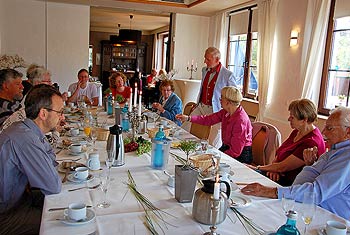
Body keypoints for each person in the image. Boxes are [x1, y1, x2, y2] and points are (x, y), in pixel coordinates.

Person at [241, 107, 350, 220]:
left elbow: (315, 193)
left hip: (324, 218)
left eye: (329, 128)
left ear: (348, 132)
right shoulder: (336, 150)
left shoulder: (346, 158)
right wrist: (310, 164)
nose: (324, 132)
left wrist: (271, 191)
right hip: (300, 204)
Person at [0, 85, 63, 234]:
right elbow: (52, 186)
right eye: (59, 112)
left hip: (21, 199)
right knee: (62, 222)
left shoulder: (24, 128)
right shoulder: (26, 139)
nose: (62, 117)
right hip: (7, 214)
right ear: (43, 113)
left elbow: (51, 158)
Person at [248, 99, 326, 186]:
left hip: (290, 183)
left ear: (304, 120)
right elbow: (280, 153)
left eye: (292, 117)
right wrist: (273, 168)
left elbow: (284, 167)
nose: (289, 119)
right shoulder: (297, 131)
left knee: (248, 175)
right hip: (278, 174)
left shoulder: (311, 142)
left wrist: (258, 167)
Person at [176, 86, 252, 163]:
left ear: (228, 102)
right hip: (227, 149)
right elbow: (208, 119)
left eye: (221, 98)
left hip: (240, 156)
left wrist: (216, 158)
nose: (220, 100)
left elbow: (236, 151)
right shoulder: (225, 112)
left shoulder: (240, 120)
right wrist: (188, 118)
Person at [181, 47, 237, 148]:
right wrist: (197, 104)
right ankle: (182, 146)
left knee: (214, 136)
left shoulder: (228, 75)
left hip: (216, 109)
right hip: (201, 106)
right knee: (186, 125)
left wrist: (229, 111)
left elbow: (234, 94)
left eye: (208, 59)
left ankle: (211, 155)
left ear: (217, 59)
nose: (205, 61)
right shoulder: (204, 70)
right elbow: (203, 88)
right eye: (205, 58)